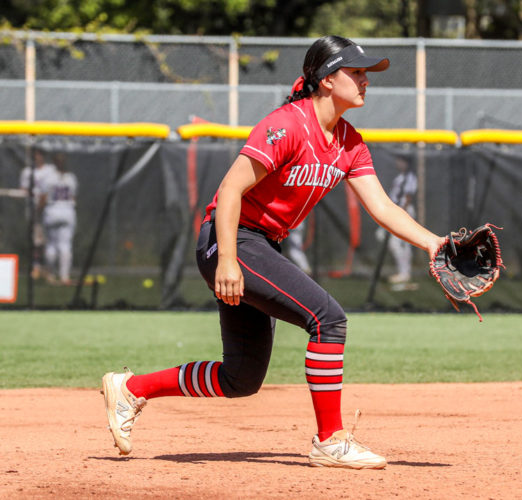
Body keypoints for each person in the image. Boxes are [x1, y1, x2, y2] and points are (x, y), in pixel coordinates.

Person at [100, 36, 445, 469]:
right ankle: (329, 439)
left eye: (366, 73)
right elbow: (230, 190)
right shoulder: (287, 125)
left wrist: (434, 242)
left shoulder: (348, 142)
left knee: (240, 378)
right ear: (325, 80)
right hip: (231, 238)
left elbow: (383, 207)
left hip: (259, 244)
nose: (364, 80)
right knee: (327, 318)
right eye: (355, 72)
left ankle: (132, 389)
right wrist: (227, 259)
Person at [39, 155, 77, 285]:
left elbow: (43, 198)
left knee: (51, 245)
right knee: (65, 245)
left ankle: (50, 275)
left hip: (52, 212)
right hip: (67, 212)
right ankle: (64, 276)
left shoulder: (48, 178)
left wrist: (38, 211)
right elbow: (73, 198)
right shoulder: (70, 178)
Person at [19, 150, 58, 280]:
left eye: (39, 154)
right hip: (33, 210)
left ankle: (49, 269)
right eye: (34, 154)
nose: (37, 157)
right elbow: (24, 190)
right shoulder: (27, 172)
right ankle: (36, 267)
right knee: (36, 241)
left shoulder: (51, 170)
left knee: (50, 241)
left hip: (50, 210)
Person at [385, 156, 418, 285]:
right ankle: (403, 272)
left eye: (401, 161)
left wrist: (400, 213)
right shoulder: (400, 177)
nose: (398, 163)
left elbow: (408, 197)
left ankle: (404, 273)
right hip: (394, 212)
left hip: (403, 212)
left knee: (400, 244)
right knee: (395, 243)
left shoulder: (410, 177)